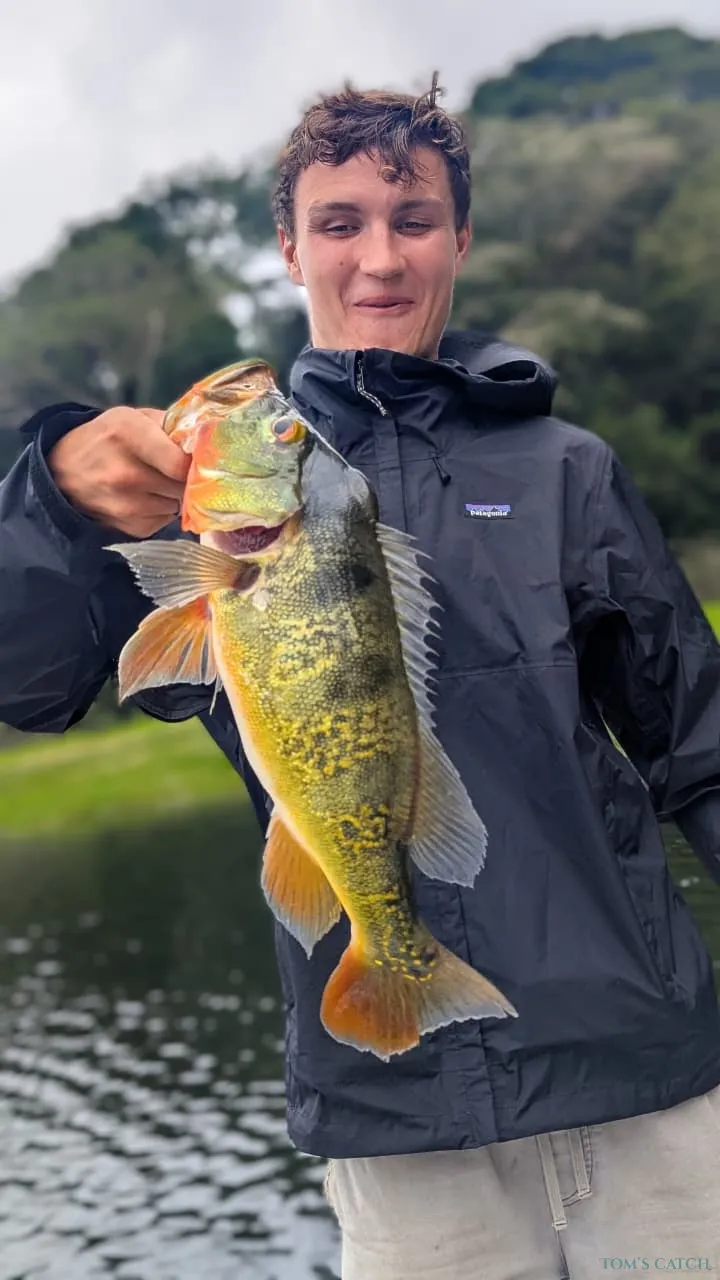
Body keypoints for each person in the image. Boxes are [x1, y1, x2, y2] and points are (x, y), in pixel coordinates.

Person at [1, 77, 720, 1280]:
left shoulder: (567, 472)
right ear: (290, 248)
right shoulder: (202, 518)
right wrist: (56, 492)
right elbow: (25, 678)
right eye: (339, 223)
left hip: (644, 1078)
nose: (379, 258)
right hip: (398, 1116)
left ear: (460, 238)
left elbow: (700, 742)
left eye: (413, 219)